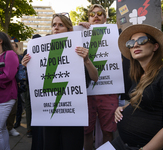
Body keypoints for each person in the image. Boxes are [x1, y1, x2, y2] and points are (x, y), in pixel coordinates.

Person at [22, 13, 98, 150]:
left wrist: (86, 60)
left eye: (60, 25)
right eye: (54, 25)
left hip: (72, 112)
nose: (56, 28)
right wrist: (29, 67)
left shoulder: (79, 49)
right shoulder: (41, 52)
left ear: (69, 30)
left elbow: (95, 77)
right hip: (50, 112)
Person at [112, 24, 163, 150]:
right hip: (123, 143)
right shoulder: (140, 76)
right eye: (131, 43)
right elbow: (146, 102)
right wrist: (123, 108)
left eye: (142, 40)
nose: (135, 45)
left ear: (155, 46)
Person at [79, 4, 119, 150]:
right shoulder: (79, 32)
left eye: (100, 13)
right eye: (92, 14)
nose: (96, 16)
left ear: (105, 18)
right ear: (88, 17)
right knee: (86, 131)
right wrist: (76, 30)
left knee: (108, 131)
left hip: (109, 90)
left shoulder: (115, 33)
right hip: (86, 92)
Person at [0, 31, 19, 150]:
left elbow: (8, 75)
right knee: (1, 129)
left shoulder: (10, 54)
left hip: (7, 97)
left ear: (0, 40)